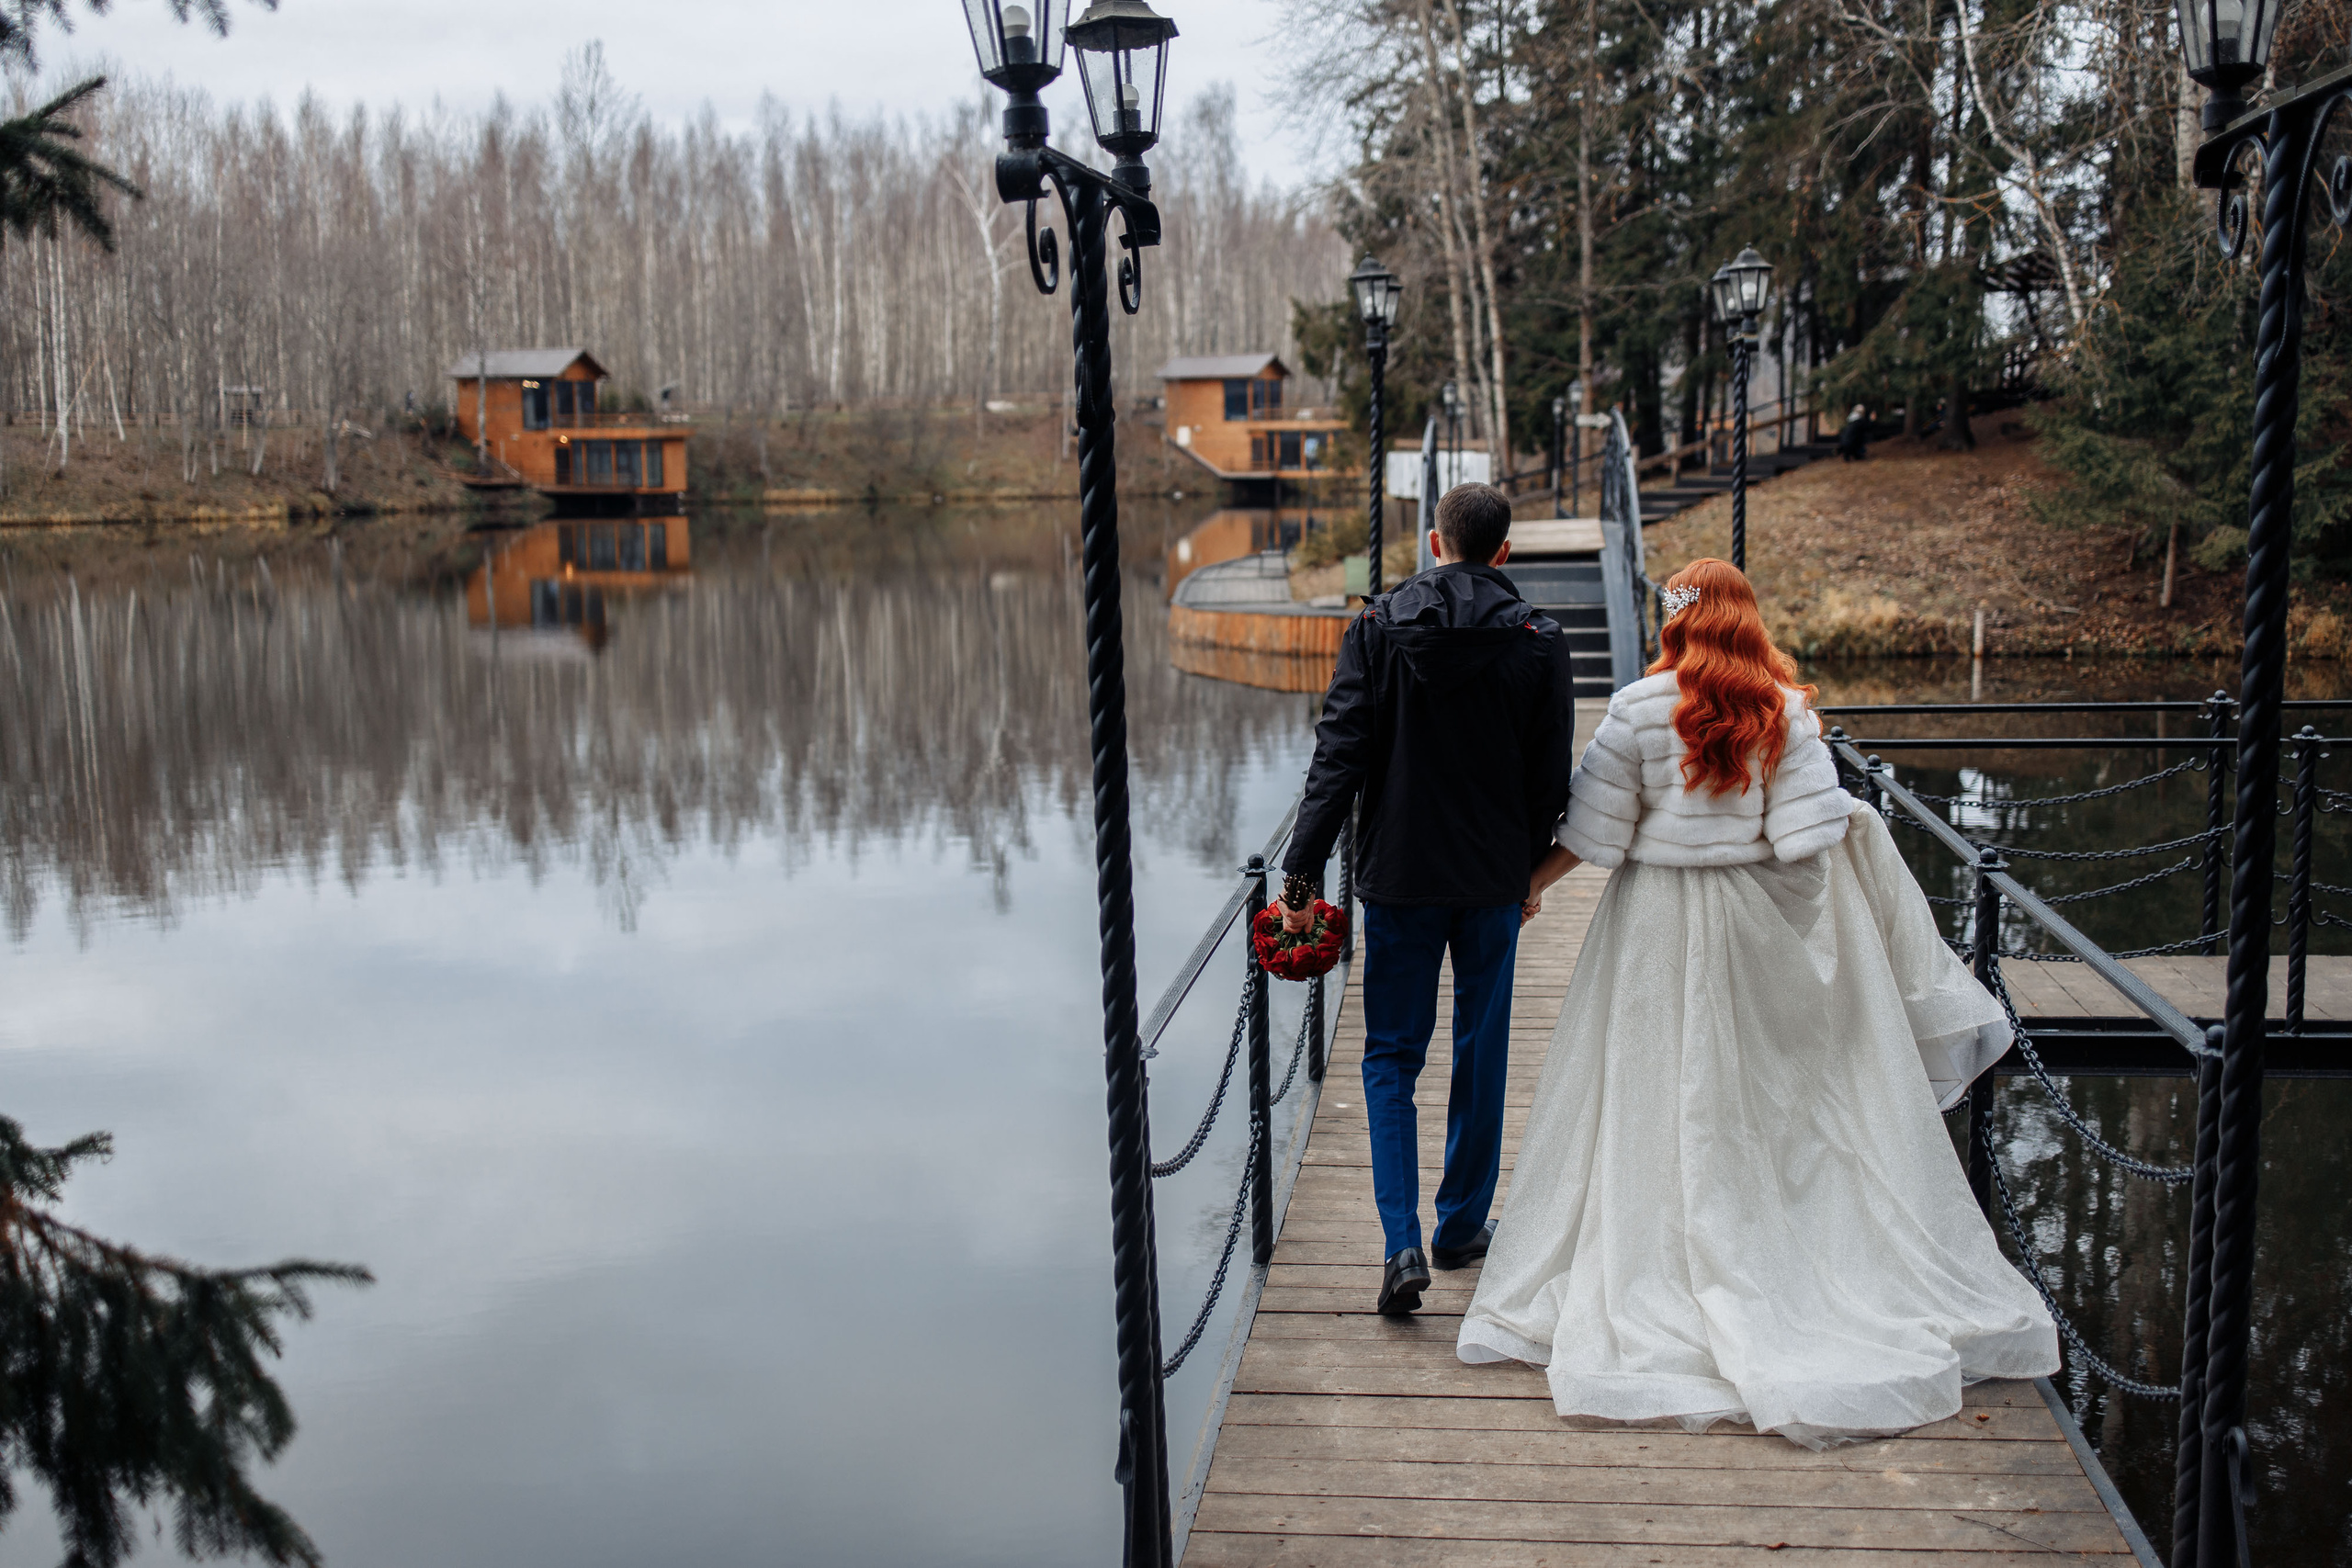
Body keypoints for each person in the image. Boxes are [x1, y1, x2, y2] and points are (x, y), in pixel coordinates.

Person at [1457, 557, 2057, 1448]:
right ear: (1745, 618)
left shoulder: (1635, 708)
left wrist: (1529, 887)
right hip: (1753, 930)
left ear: (1674, 622)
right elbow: (1806, 839)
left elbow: (1596, 834)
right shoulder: (1785, 713)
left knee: (1656, 1087)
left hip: (1654, 923)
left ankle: (1662, 1254)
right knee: (1761, 1097)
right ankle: (1769, 1246)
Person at [1274, 482, 1577, 1316]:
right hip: (1489, 880)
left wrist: (1298, 881)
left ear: (1436, 545)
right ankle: (1460, 1227)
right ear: (1503, 553)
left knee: (1389, 1057)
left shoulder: (1376, 627)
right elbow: (1553, 775)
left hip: (1398, 878)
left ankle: (1399, 1241)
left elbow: (1337, 761)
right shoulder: (1539, 639)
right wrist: (1529, 866)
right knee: (1481, 1049)